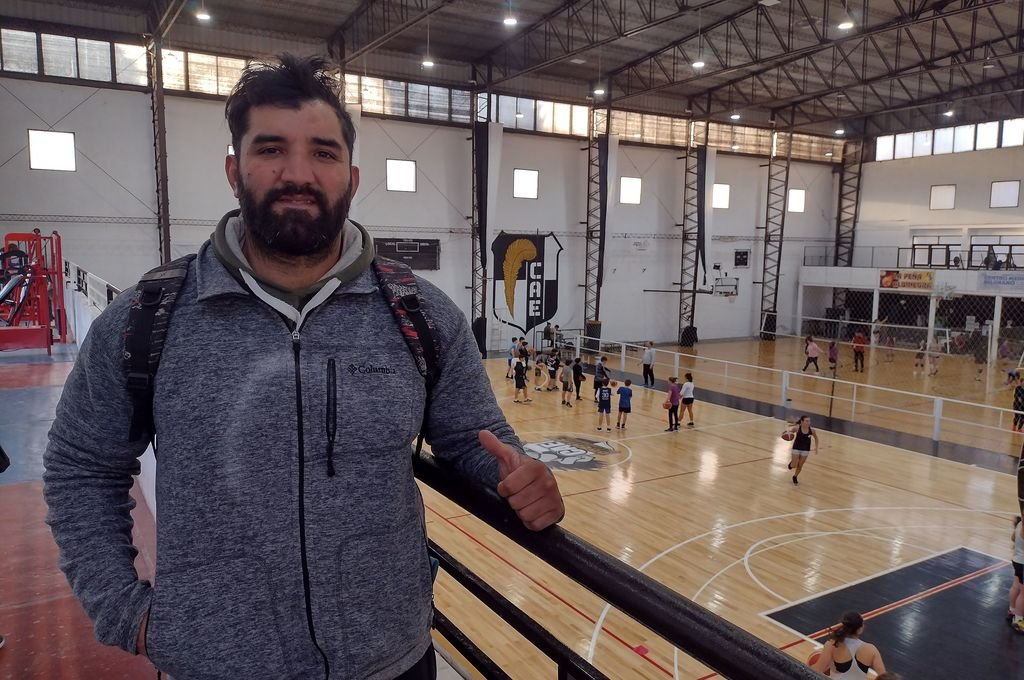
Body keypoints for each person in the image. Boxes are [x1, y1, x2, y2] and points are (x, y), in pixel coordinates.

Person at [42, 55, 564, 680]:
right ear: (234, 170)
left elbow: (473, 438)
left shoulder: (421, 314)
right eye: (271, 150)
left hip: (390, 662)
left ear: (352, 174)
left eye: (323, 152)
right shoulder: (148, 317)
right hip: (215, 666)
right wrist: (125, 612)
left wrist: (521, 477)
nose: (297, 173)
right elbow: (81, 467)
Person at [808, 611, 886, 678]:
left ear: (843, 626)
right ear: (860, 629)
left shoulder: (832, 645)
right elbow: (884, 677)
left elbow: (817, 670)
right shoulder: (871, 649)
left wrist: (805, 667)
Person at [785, 415, 818, 485]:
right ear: (802, 422)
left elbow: (816, 438)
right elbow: (789, 431)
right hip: (796, 447)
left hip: (806, 449)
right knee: (794, 465)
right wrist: (787, 433)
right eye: (807, 421)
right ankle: (791, 465)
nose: (808, 422)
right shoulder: (797, 428)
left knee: (800, 465)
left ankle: (795, 476)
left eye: (809, 421)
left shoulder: (812, 430)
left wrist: (816, 447)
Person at [1007, 516, 1024, 633]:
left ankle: (1012, 610)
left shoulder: (1019, 524)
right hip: (1023, 562)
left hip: (1017, 559)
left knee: (1016, 586)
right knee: (1023, 592)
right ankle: (1019, 620)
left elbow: (1013, 538)